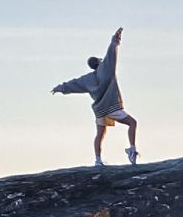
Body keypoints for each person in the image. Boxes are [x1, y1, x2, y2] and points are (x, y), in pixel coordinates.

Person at [51, 27, 139, 166]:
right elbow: (111, 54)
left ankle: (97, 160)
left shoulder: (88, 79)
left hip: (99, 110)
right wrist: (115, 40)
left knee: (100, 134)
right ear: (99, 63)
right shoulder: (106, 69)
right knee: (132, 123)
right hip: (111, 106)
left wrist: (60, 88)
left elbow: (74, 84)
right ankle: (132, 150)